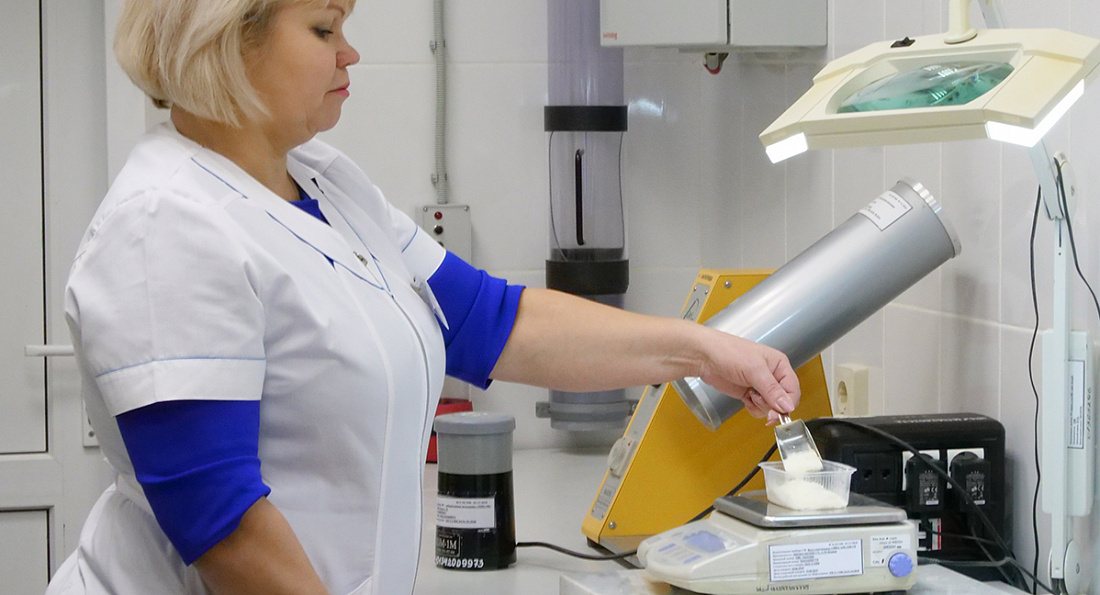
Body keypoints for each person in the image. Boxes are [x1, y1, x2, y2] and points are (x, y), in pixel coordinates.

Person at [45, 1, 801, 594]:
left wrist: (701, 349)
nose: (349, 52)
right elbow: (222, 522)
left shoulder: (325, 182)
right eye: (324, 28)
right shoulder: (165, 223)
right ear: (227, 43)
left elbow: (490, 322)